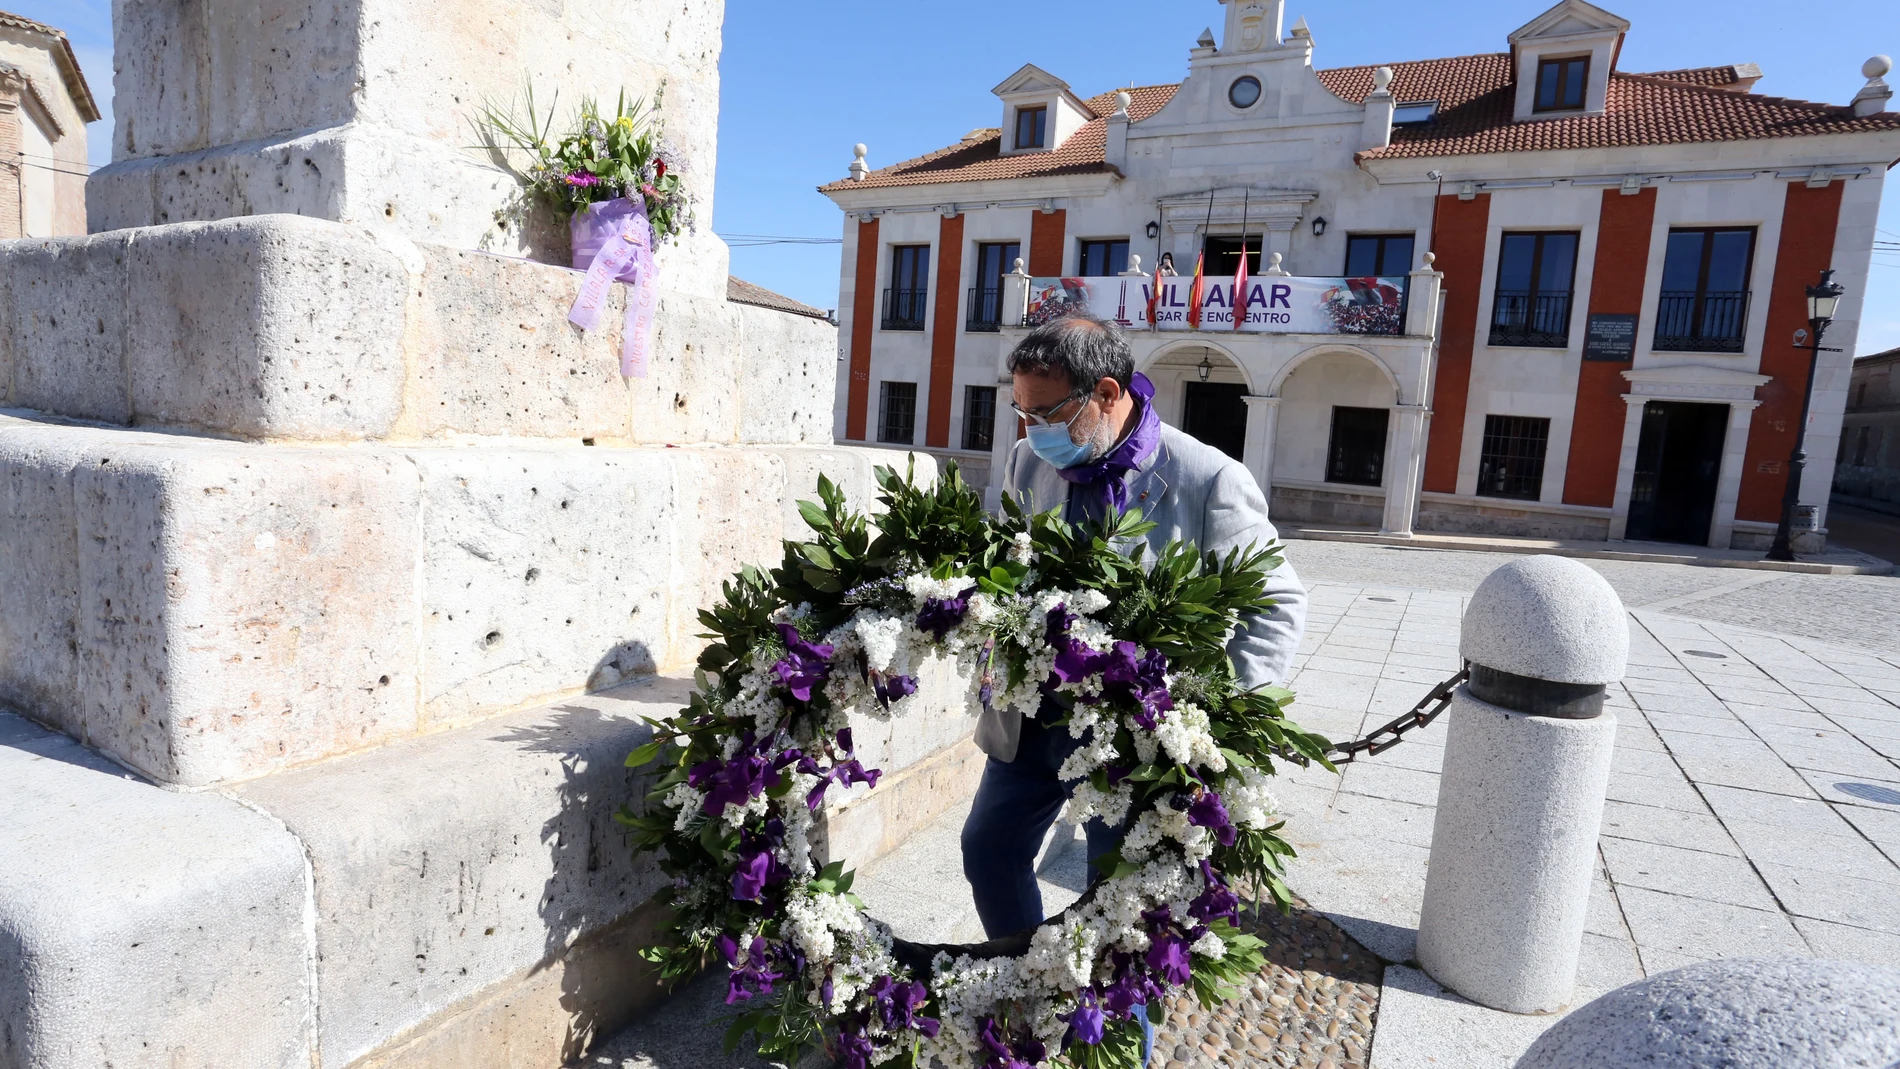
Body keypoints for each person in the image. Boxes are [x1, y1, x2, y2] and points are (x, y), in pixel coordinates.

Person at [959, 314, 1307, 1063]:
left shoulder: (1209, 479)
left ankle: (1120, 1048)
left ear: (1106, 393)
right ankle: (1037, 991)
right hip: (1036, 720)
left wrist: (1216, 728)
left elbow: (1276, 607)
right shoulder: (1028, 462)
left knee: (1123, 913)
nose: (1029, 428)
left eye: (1044, 412)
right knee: (988, 848)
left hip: (1136, 750)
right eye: (1020, 411)